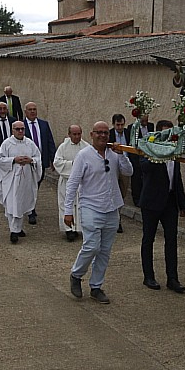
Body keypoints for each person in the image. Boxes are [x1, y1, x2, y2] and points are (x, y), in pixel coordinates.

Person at [65, 121, 133, 304]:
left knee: (104, 251)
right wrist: (67, 211)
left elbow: (129, 171)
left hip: (112, 207)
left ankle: (96, 286)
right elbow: (72, 183)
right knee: (92, 246)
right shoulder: (84, 155)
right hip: (91, 207)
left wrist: (123, 154)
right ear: (92, 134)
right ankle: (76, 275)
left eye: (105, 133)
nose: (103, 136)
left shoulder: (114, 154)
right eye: (99, 133)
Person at [139, 119, 185, 293]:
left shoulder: (175, 153)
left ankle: (172, 278)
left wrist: (182, 204)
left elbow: (177, 179)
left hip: (170, 202)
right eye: (165, 134)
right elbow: (144, 168)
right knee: (148, 239)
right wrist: (157, 153)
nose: (169, 138)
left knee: (171, 240)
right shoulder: (149, 150)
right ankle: (148, 276)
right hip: (151, 202)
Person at [0, 121, 42, 243]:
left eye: (22, 129)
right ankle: (13, 231)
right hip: (11, 179)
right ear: (12, 130)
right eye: (17, 129)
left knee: (22, 203)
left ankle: (18, 227)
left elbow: (38, 157)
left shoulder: (29, 143)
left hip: (26, 179)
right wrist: (13, 160)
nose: (20, 131)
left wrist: (31, 160)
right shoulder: (7, 144)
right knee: (12, 203)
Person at [53, 125, 89, 242]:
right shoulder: (63, 147)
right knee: (66, 204)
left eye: (79, 134)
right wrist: (74, 164)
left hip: (81, 182)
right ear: (69, 134)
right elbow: (57, 163)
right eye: (74, 134)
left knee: (80, 204)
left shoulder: (86, 146)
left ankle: (78, 227)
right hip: (66, 181)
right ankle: (69, 229)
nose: (77, 136)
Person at [23, 101, 56, 225]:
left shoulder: (43, 124)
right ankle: (30, 211)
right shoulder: (21, 126)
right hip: (27, 162)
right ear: (25, 112)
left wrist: (53, 160)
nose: (32, 111)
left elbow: (50, 142)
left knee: (36, 185)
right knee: (30, 186)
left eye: (34, 109)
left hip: (41, 161)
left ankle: (31, 205)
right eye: (30, 109)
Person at [108, 113, 131, 232]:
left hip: (125, 166)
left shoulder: (129, 133)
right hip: (113, 166)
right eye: (118, 125)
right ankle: (117, 220)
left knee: (122, 194)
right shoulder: (109, 134)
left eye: (122, 124)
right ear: (113, 124)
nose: (120, 127)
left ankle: (118, 215)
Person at [126, 113, 154, 207]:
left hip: (148, 154)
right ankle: (136, 199)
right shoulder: (133, 127)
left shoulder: (151, 126)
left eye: (146, 121)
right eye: (143, 121)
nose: (145, 123)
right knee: (136, 178)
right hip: (136, 156)